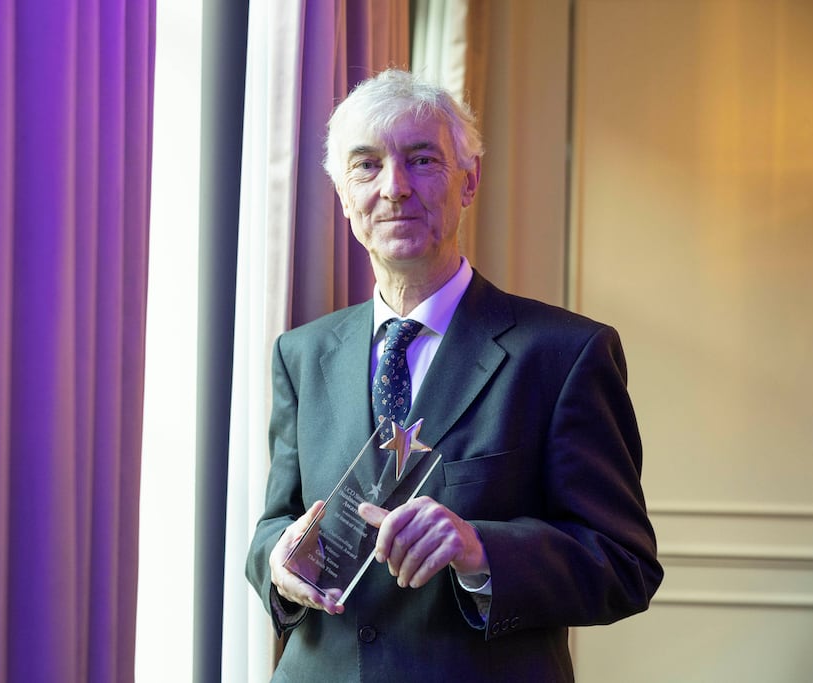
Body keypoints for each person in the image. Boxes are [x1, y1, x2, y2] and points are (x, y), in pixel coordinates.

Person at [246, 69, 662, 682]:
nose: (394, 188)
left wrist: (480, 549)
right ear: (342, 195)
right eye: (366, 166)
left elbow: (624, 566)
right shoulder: (301, 354)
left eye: (421, 160)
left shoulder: (566, 354)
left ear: (469, 182)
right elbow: (274, 526)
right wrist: (278, 561)